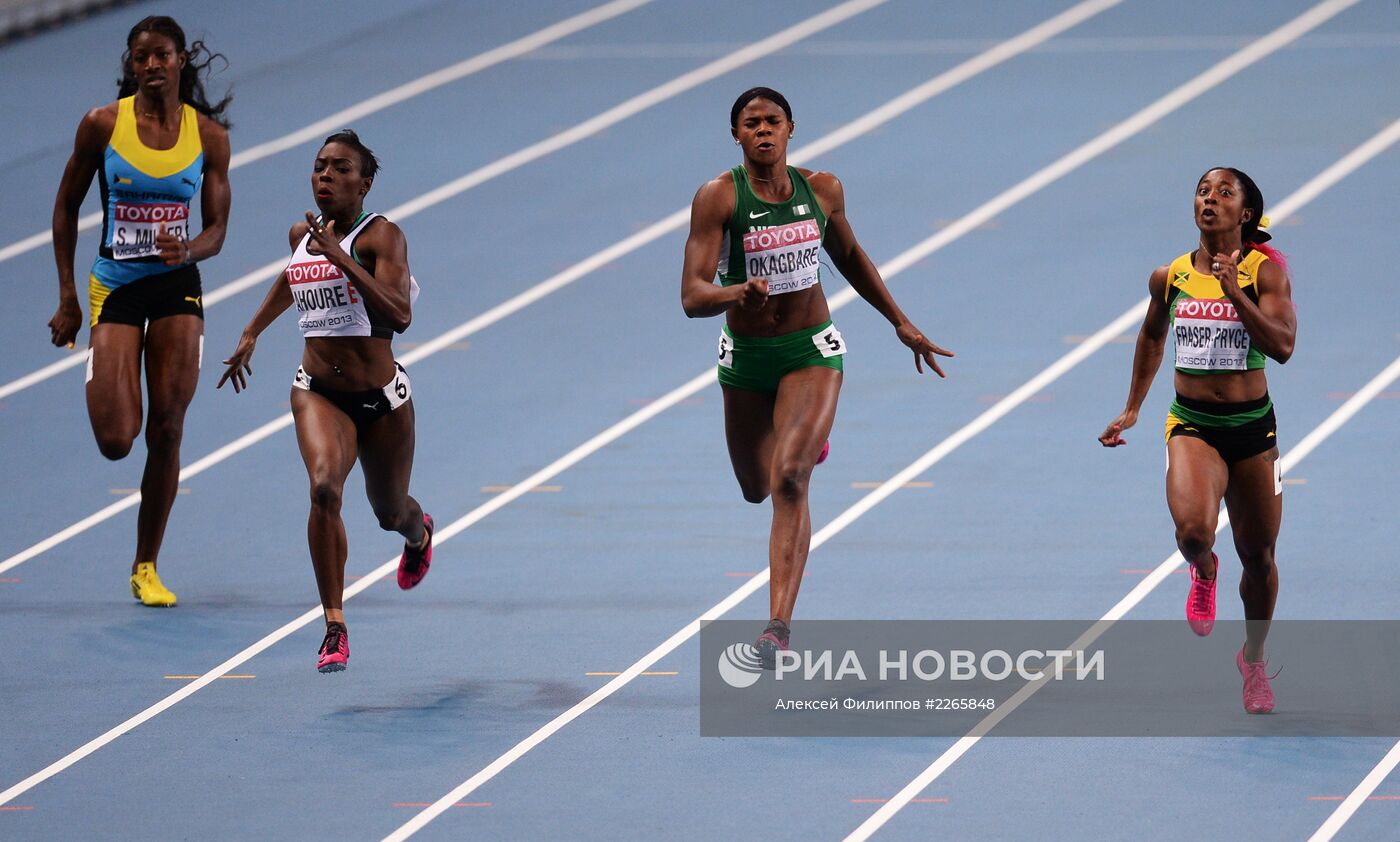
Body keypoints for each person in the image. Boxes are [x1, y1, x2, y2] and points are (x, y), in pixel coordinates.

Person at [681, 87, 953, 667]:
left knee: (790, 478)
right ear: (736, 136)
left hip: (811, 350)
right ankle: (803, 440)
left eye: (772, 121)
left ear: (790, 128)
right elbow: (691, 295)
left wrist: (900, 321)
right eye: (750, 123)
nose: (762, 131)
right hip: (747, 357)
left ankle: (777, 625)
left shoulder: (822, 189)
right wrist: (736, 290)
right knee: (756, 486)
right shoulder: (717, 199)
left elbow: (851, 255)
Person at [218, 130, 432, 673]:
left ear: (365, 182)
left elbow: (399, 315)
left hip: (382, 401)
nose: (326, 177)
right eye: (319, 167)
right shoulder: (302, 233)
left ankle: (420, 532)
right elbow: (292, 278)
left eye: (340, 169)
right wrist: (252, 331)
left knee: (390, 512)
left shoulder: (382, 237)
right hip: (319, 393)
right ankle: (334, 625)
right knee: (323, 490)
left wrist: (341, 256)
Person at [48, 16, 232, 607]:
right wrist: (68, 296)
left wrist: (191, 247)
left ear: (182, 59)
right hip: (117, 287)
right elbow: (65, 207)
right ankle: (104, 371)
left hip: (176, 286)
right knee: (117, 440)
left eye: (161, 55)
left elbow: (217, 229)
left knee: (169, 426)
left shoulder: (209, 137)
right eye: (140, 57)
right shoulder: (103, 124)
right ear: (131, 66)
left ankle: (146, 565)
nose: (150, 65)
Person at [1099, 167, 1295, 713]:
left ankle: (1253, 659)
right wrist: (1133, 407)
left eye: (1224, 194)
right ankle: (1204, 568)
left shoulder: (1265, 274)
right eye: (1203, 192)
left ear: (1246, 213)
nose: (1210, 200)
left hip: (1254, 430)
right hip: (1193, 426)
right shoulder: (1171, 276)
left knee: (1258, 557)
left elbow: (1283, 346)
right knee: (1191, 533)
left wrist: (1235, 291)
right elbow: (1152, 336)